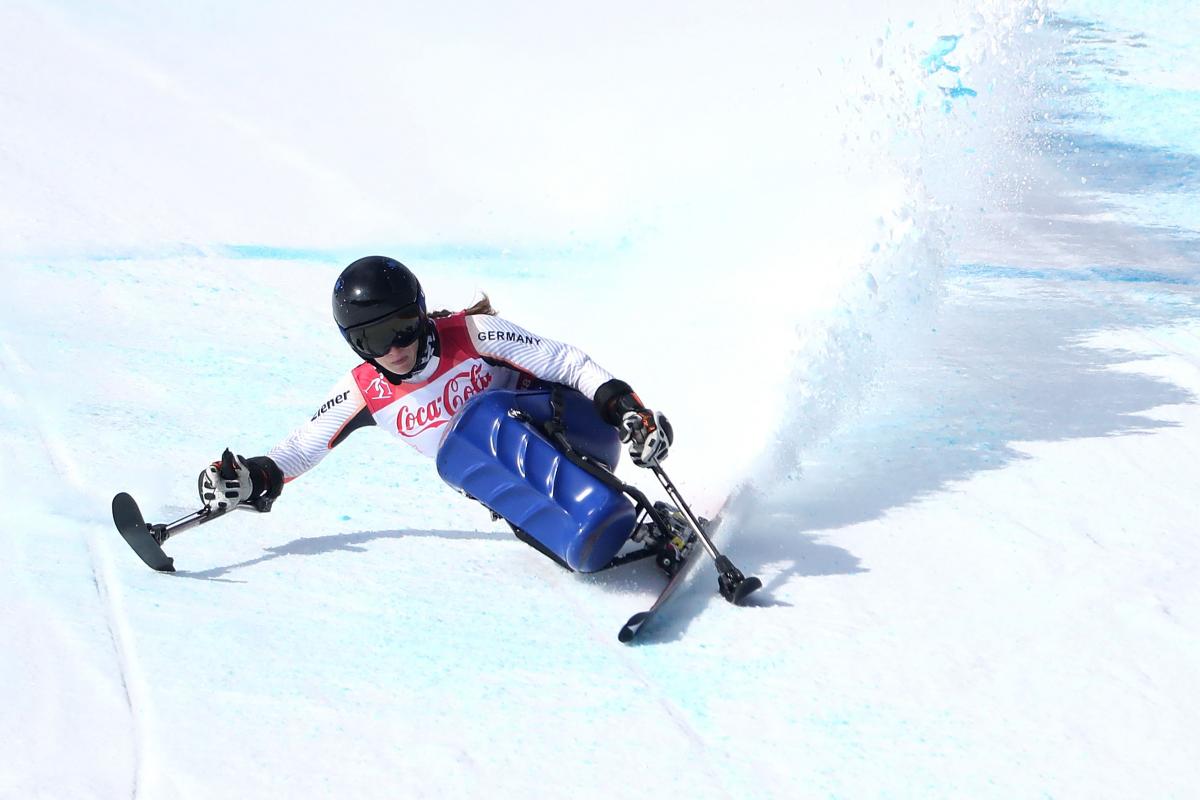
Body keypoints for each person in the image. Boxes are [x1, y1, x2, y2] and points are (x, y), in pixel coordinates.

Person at [198, 256, 673, 527]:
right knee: (459, 457)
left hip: (579, 434)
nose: (396, 348)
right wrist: (252, 476)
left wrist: (624, 408)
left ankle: (616, 513)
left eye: (404, 327)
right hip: (524, 488)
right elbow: (303, 447)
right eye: (373, 340)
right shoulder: (365, 391)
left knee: (483, 416)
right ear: (353, 344)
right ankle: (593, 538)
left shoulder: (472, 334)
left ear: (421, 314)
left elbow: (566, 362)